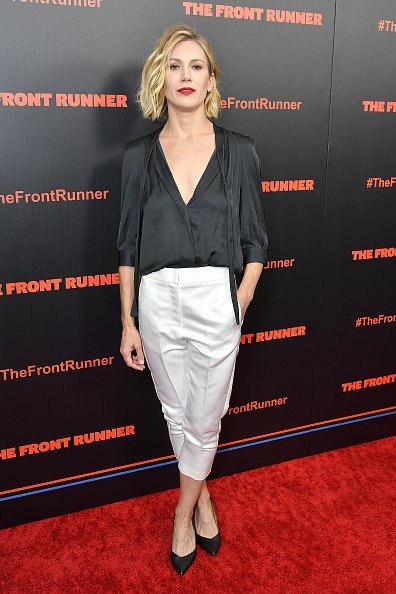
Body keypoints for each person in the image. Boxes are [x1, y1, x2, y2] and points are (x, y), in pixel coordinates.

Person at [117, 23, 269, 575]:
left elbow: (257, 240)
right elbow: (127, 246)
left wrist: (240, 300)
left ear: (211, 81)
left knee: (205, 416)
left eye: (196, 66)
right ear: (162, 77)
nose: (186, 76)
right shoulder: (138, 156)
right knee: (176, 410)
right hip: (156, 299)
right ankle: (201, 496)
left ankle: (182, 511)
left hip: (215, 297)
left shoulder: (239, 151)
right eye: (175, 65)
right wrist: (128, 321)